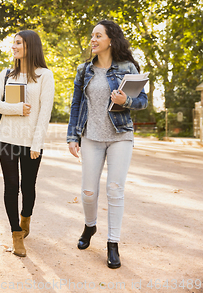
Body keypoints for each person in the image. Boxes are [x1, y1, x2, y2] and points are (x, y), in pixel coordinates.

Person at [66, 20, 148, 269]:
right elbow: (76, 104)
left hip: (120, 135)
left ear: (110, 40)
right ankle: (90, 226)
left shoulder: (128, 67)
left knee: (115, 189)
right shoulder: (84, 70)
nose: (92, 39)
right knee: (88, 193)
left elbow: (142, 101)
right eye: (92, 35)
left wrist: (127, 101)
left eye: (97, 35)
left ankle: (113, 244)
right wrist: (73, 136)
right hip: (91, 136)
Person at [0, 30, 54, 257]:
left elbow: (44, 112)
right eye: (13, 43)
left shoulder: (45, 75)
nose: (14, 47)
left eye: (18, 43)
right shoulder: (6, 74)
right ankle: (16, 234)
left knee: (28, 186)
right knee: (11, 186)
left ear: (30, 46)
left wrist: (37, 143)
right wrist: (17, 109)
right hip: (6, 138)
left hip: (31, 142)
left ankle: (25, 217)